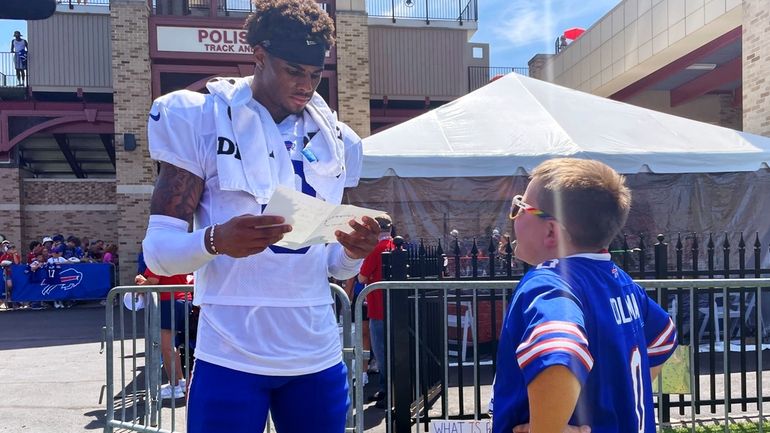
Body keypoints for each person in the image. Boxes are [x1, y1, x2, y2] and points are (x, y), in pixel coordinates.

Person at [141, 0, 379, 431]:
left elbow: (329, 265)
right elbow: (158, 254)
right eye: (294, 71)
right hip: (230, 353)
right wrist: (215, 241)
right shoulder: (200, 117)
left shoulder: (338, 139)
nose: (307, 86)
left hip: (315, 353)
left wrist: (353, 254)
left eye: (315, 73)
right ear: (260, 56)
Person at [492, 158, 678, 433]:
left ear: (551, 231)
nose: (514, 217)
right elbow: (664, 336)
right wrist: (621, 397)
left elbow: (558, 350)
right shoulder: (620, 281)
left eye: (520, 207)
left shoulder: (547, 282)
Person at [134, 269, 192, 399]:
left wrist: (140, 286)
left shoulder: (158, 256)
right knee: (173, 346)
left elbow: (153, 281)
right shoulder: (177, 253)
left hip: (169, 301)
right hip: (183, 300)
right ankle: (180, 382)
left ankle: (174, 387)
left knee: (166, 347)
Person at [357, 214, 394, 409]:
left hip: (378, 308)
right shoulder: (395, 246)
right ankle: (385, 389)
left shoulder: (375, 249)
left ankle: (388, 392)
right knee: (390, 352)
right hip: (393, 308)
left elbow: (362, 277)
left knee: (381, 354)